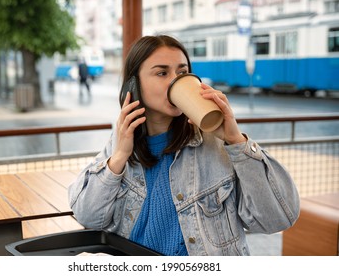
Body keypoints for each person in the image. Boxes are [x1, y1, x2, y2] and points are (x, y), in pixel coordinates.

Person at [68, 35, 300, 256]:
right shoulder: (122, 140)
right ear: (134, 84)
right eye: (162, 72)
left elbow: (278, 219)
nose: (175, 80)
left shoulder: (217, 141)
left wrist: (237, 141)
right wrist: (119, 157)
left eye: (182, 72)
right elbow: (88, 216)